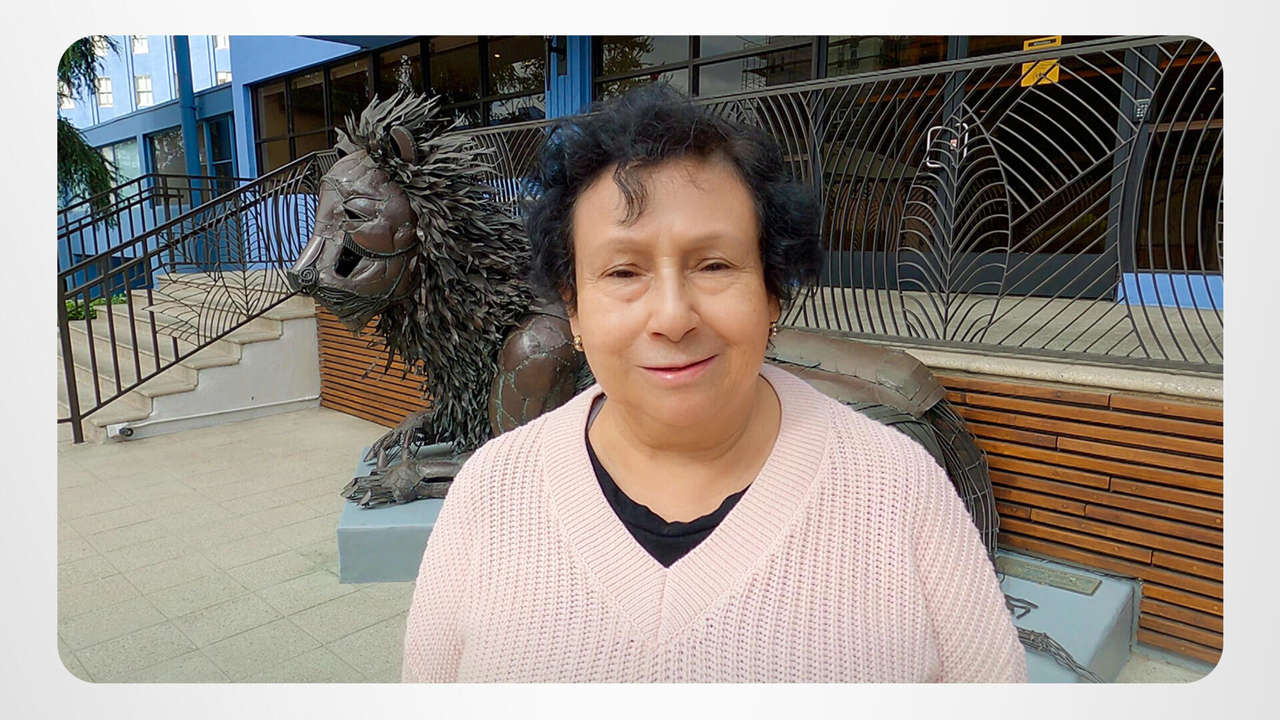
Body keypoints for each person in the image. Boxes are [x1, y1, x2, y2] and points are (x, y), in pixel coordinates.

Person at [401, 85, 1027, 683]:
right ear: (574, 308)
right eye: (623, 271)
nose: (673, 317)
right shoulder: (491, 491)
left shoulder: (899, 489)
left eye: (715, 265)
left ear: (772, 292)